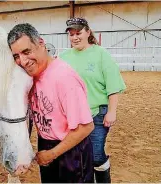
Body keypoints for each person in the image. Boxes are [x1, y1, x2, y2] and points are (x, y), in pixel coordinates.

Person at [8, 23, 95, 183]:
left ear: (41, 43)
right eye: (17, 56)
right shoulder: (30, 78)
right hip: (46, 144)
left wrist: (52, 153)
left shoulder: (64, 78)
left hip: (71, 151)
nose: (23, 61)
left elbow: (86, 127)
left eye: (27, 52)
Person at [60, 17, 126, 183]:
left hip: (97, 114)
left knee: (96, 154)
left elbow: (113, 85)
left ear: (88, 32)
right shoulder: (63, 57)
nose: (75, 37)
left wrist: (112, 112)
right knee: (77, 154)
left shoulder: (101, 54)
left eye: (78, 33)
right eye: (71, 34)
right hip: (72, 115)